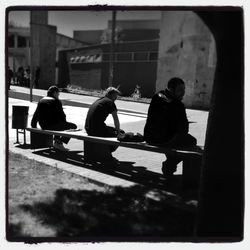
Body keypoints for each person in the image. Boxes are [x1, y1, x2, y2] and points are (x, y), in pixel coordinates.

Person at [144, 77, 197, 177]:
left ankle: (170, 164)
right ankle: (170, 164)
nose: (183, 93)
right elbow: (184, 129)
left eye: (184, 89)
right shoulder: (177, 104)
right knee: (191, 141)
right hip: (163, 139)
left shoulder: (157, 96)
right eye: (180, 90)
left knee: (177, 140)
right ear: (171, 90)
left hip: (149, 136)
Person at [31, 85, 77, 151]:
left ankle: (57, 141)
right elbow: (62, 116)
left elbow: (35, 115)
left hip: (43, 126)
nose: (58, 95)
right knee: (73, 126)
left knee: (59, 124)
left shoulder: (41, 101)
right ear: (55, 93)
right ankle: (58, 142)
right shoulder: (56, 101)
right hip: (53, 126)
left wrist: (33, 126)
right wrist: (65, 125)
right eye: (58, 94)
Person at [85, 87, 123, 159]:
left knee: (111, 131)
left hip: (88, 128)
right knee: (121, 134)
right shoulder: (110, 102)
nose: (116, 98)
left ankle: (104, 151)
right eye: (115, 96)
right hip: (97, 130)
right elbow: (116, 119)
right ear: (110, 95)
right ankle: (107, 153)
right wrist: (118, 132)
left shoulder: (99, 100)